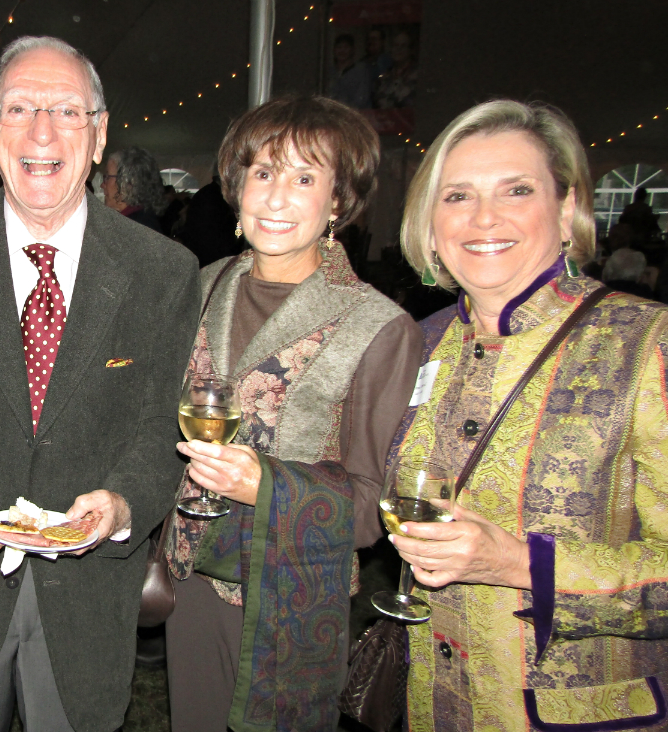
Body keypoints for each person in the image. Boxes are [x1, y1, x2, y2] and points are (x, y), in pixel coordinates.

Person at [0, 35, 199, 732]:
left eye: (67, 112)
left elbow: (158, 429)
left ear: (100, 133)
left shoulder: (162, 272)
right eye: (19, 109)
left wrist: (118, 506)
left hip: (84, 607)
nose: (42, 133)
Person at [391, 99, 668, 731]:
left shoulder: (647, 344)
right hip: (435, 706)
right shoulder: (420, 342)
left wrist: (521, 564)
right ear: (429, 224)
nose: (483, 218)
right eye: (457, 196)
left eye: (516, 190)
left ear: (567, 209)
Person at [164, 94, 423, 732]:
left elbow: (376, 505)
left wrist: (267, 485)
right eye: (263, 173)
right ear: (237, 187)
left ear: (338, 202)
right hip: (189, 583)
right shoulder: (200, 286)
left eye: (304, 177)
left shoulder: (378, 326)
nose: (277, 197)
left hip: (292, 603)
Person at [179, 172, 243, 267]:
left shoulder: (208, 193)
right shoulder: (216, 197)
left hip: (204, 253)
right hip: (212, 256)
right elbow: (221, 232)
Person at [102, 146, 166, 232]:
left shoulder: (137, 228)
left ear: (128, 183)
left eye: (107, 177)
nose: (102, 185)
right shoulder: (140, 220)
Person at [326, 34, 372, 109]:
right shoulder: (330, 72)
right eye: (339, 47)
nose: (342, 51)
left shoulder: (361, 70)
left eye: (346, 47)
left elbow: (361, 100)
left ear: (352, 50)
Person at [375, 30, 417, 109]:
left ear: (411, 50)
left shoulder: (417, 75)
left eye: (403, 46)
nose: (398, 49)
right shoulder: (385, 76)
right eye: (395, 45)